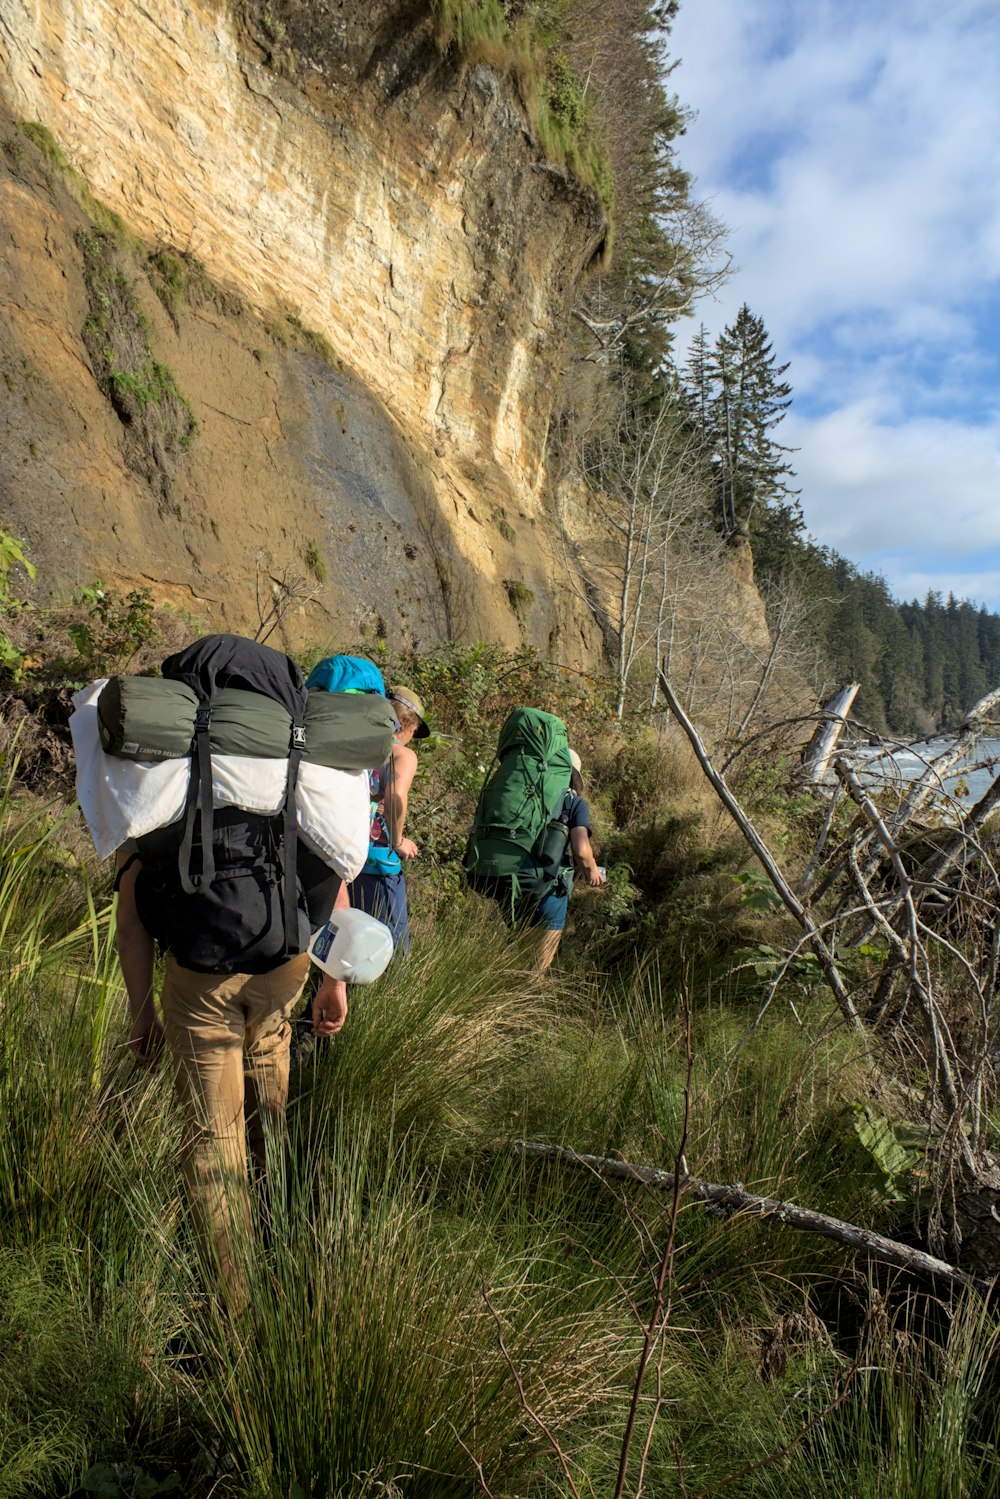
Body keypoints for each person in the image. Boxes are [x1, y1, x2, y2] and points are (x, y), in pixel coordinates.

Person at [115, 846, 350, 1298]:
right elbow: (336, 859)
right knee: (266, 1080)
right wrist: (335, 979)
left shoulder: (168, 773)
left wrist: (142, 1013)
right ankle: (280, 1247)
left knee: (214, 1137)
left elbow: (131, 922)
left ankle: (235, 1317)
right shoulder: (287, 773)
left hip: (201, 975)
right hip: (283, 962)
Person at [347, 684, 429, 956]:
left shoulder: (353, 744)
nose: (412, 738)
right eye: (415, 731)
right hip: (376, 862)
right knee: (390, 949)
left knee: (342, 945)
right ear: (405, 723)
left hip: (343, 855)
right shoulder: (401, 754)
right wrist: (398, 840)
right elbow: (395, 795)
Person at [527, 749, 604, 973]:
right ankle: (525, 1001)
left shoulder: (529, 792)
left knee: (516, 955)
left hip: (512, 882)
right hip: (547, 891)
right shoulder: (573, 802)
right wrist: (592, 871)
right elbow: (581, 850)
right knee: (536, 970)